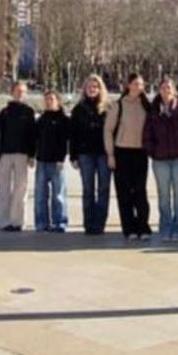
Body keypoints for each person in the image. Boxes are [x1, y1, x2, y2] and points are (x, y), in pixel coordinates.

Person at [144, 75, 178, 245]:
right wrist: (152, 151)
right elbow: (147, 135)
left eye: (169, 87)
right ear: (159, 91)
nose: (166, 90)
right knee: (163, 196)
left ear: (174, 90)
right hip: (160, 160)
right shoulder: (153, 111)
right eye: (163, 88)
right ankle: (165, 227)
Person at [105, 72, 152, 239]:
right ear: (128, 85)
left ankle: (143, 226)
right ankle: (129, 227)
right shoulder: (118, 105)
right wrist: (110, 154)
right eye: (136, 84)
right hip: (122, 152)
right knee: (124, 193)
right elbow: (108, 131)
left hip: (140, 153)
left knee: (140, 192)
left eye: (141, 84)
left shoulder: (146, 105)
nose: (139, 87)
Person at [69, 74, 111, 235]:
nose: (92, 89)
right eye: (89, 87)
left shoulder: (108, 108)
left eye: (95, 87)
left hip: (103, 153)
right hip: (85, 154)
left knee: (103, 189)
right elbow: (73, 134)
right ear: (84, 89)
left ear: (100, 89)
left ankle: (99, 223)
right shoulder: (78, 109)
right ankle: (88, 223)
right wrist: (73, 156)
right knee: (88, 189)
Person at [0, 80, 37, 231]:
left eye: (23, 91)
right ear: (12, 92)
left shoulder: (29, 112)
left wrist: (32, 155)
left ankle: (18, 220)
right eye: (18, 91)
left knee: (21, 188)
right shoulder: (4, 112)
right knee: (3, 189)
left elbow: (33, 135)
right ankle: (3, 221)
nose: (20, 93)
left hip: (22, 154)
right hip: (4, 154)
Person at [34, 89, 71, 231]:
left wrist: (62, 158)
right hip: (42, 160)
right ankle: (41, 223)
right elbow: (34, 140)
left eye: (52, 99)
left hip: (57, 162)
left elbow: (67, 141)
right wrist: (33, 156)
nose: (49, 102)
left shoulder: (64, 120)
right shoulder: (41, 120)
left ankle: (60, 222)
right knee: (40, 195)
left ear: (57, 101)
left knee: (58, 195)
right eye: (47, 99)